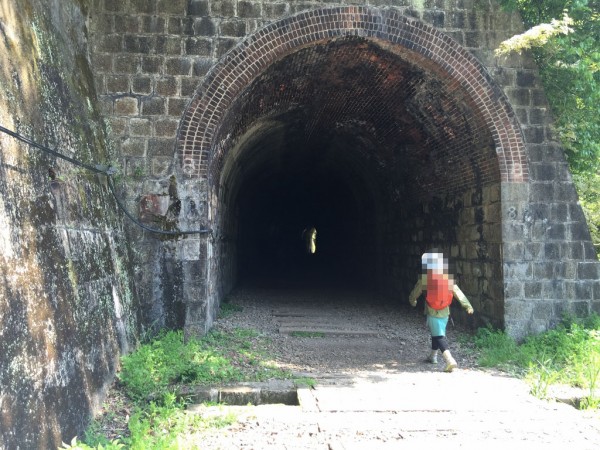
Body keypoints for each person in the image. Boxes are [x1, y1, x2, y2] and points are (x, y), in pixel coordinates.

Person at [408, 250, 474, 372]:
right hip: (445, 312)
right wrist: (468, 306)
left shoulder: (425, 279)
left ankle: (450, 360)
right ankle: (433, 356)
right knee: (436, 333)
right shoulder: (447, 279)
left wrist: (412, 301)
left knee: (439, 336)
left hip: (432, 311)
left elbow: (415, 292)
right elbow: (458, 293)